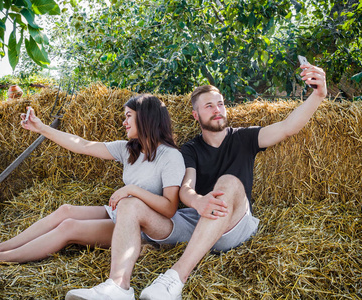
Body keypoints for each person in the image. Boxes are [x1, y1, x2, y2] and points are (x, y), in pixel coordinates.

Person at [63, 63, 327, 300]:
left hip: (232, 223)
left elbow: (288, 126)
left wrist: (318, 95)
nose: (217, 110)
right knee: (129, 205)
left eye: (221, 103)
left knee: (229, 182)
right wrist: (198, 202)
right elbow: (185, 189)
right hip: (194, 221)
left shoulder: (245, 138)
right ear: (195, 116)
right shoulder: (188, 150)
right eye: (209, 106)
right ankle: (117, 288)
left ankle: (175, 278)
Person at [0, 94, 185, 276]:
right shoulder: (129, 150)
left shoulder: (170, 156)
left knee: (69, 227)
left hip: (146, 227)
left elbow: (169, 209)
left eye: (128, 116)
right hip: (122, 213)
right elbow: (83, 145)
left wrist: (132, 190)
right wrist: (41, 127)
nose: (123, 122)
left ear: (146, 119)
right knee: (65, 211)